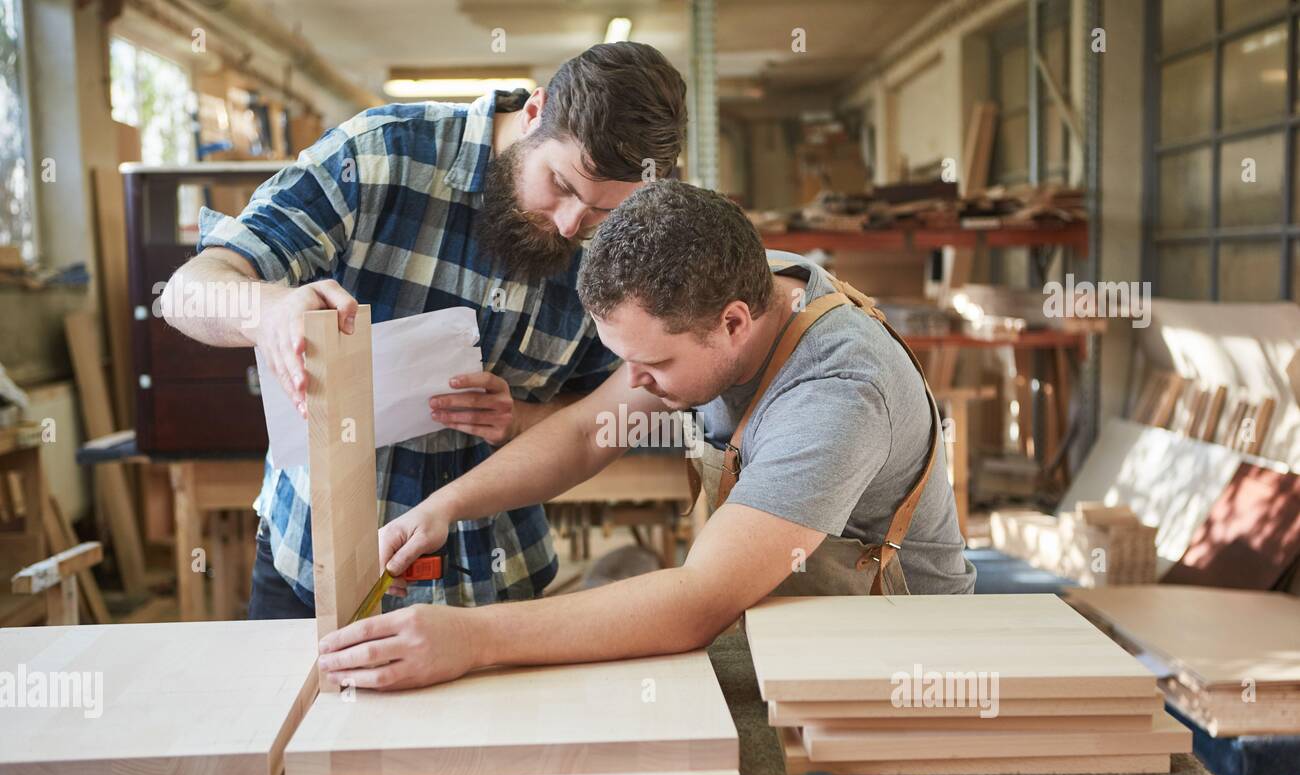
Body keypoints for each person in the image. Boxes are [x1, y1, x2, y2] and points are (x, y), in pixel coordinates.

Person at [315, 180, 977, 691]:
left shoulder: (838, 394)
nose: (635, 382)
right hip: (793, 631)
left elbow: (696, 601)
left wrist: (471, 639)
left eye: (654, 365)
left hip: (904, 662)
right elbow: (585, 433)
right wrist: (440, 510)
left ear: (735, 323)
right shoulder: (727, 280)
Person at [161, 43, 688, 617]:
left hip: (495, 589)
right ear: (535, 113)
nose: (570, 226)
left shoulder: (621, 237)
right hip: (314, 573)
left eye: (601, 212)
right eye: (560, 185)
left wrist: (522, 420)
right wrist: (268, 311)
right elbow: (190, 291)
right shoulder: (381, 154)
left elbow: (597, 412)